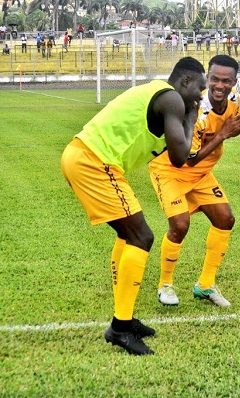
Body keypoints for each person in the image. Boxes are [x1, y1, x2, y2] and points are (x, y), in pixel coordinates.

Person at [61, 57, 207, 355]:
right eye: (199, 89)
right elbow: (180, 157)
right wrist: (191, 119)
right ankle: (120, 328)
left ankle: (124, 318)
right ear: (186, 81)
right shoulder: (173, 101)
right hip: (94, 162)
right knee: (142, 237)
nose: (200, 97)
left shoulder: (161, 94)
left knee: (130, 236)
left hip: (85, 156)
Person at [149, 55, 240, 307]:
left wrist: (227, 131)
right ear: (207, 77)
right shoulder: (194, 107)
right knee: (180, 225)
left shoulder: (234, 100)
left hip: (201, 174)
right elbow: (188, 159)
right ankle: (165, 285)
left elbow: (219, 132)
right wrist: (225, 133)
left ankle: (205, 285)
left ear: (234, 82)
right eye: (214, 79)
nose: (219, 85)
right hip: (171, 169)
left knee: (225, 219)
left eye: (226, 81)